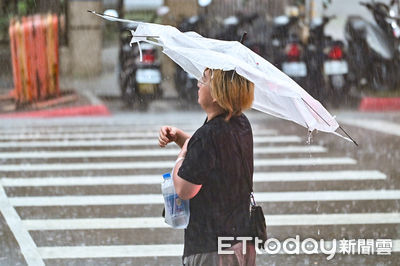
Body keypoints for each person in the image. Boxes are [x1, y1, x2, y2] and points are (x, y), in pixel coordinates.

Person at [158, 68, 255, 266]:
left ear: (218, 93)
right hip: (239, 240)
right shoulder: (240, 123)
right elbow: (212, 157)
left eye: (205, 79)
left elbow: (184, 189)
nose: (198, 84)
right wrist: (181, 138)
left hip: (212, 247)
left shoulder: (209, 134)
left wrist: (181, 156)